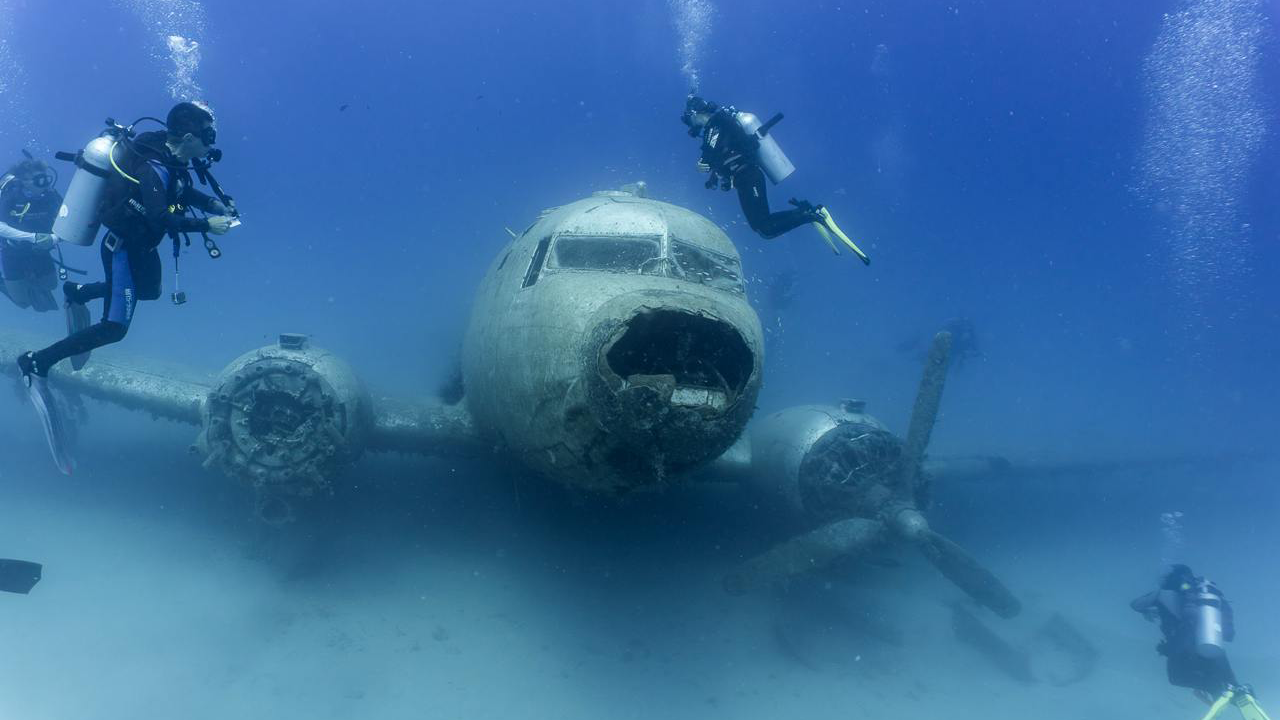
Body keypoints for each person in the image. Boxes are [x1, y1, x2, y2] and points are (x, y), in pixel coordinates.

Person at [15, 101, 237, 380]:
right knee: (114, 328)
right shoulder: (155, 166)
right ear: (190, 139)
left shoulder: (172, 159)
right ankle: (37, 361)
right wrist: (206, 225)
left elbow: (180, 191)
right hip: (123, 249)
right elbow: (159, 217)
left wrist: (212, 204)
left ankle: (79, 292)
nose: (211, 143)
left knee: (149, 291)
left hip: (142, 245)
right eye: (209, 136)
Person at [680, 94, 869, 264]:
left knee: (765, 227)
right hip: (745, 179)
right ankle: (807, 213)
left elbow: (711, 153)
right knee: (763, 228)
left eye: (690, 119)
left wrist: (704, 164)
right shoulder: (719, 125)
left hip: (748, 177)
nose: (691, 125)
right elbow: (724, 155)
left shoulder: (716, 124)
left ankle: (813, 215)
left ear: (695, 113)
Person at [1132, 565, 1271, 719]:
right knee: (1229, 689)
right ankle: (1241, 691)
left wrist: (1150, 608)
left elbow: (1136, 604)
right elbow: (1228, 633)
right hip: (1213, 643)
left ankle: (1220, 687)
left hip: (1184, 644)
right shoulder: (1204, 596)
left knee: (1177, 677)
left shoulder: (1163, 594)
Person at [0, 156, 63, 312]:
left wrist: (54, 238)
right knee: (22, 302)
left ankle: (30, 282)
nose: (45, 185)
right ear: (24, 181)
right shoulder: (11, 195)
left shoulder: (51, 196)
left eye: (46, 180)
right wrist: (33, 238)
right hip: (12, 252)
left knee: (52, 285)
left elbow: (68, 223)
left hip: (39, 251)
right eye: (39, 181)